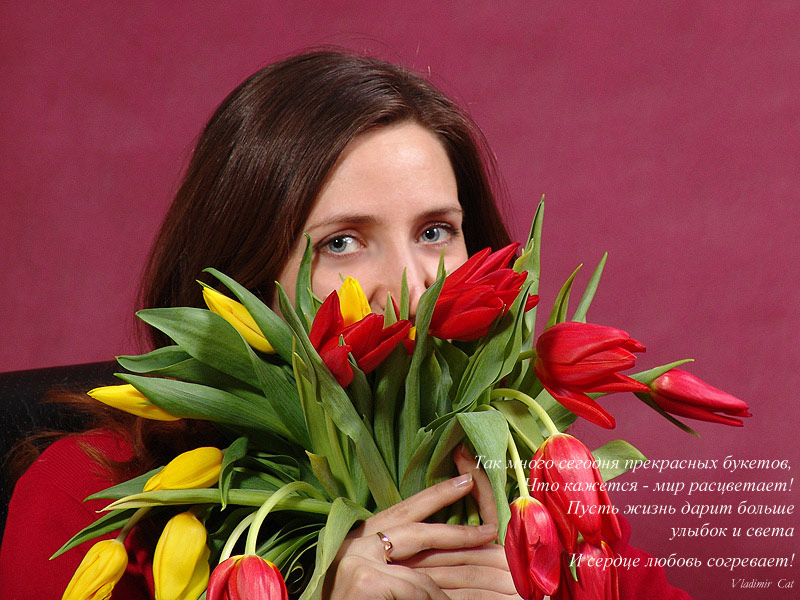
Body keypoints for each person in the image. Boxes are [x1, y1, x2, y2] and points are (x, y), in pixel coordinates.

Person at [0, 49, 690, 600]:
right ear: (245, 274)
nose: (415, 284)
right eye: (342, 242)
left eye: (435, 231)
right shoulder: (88, 498)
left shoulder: (531, 490)